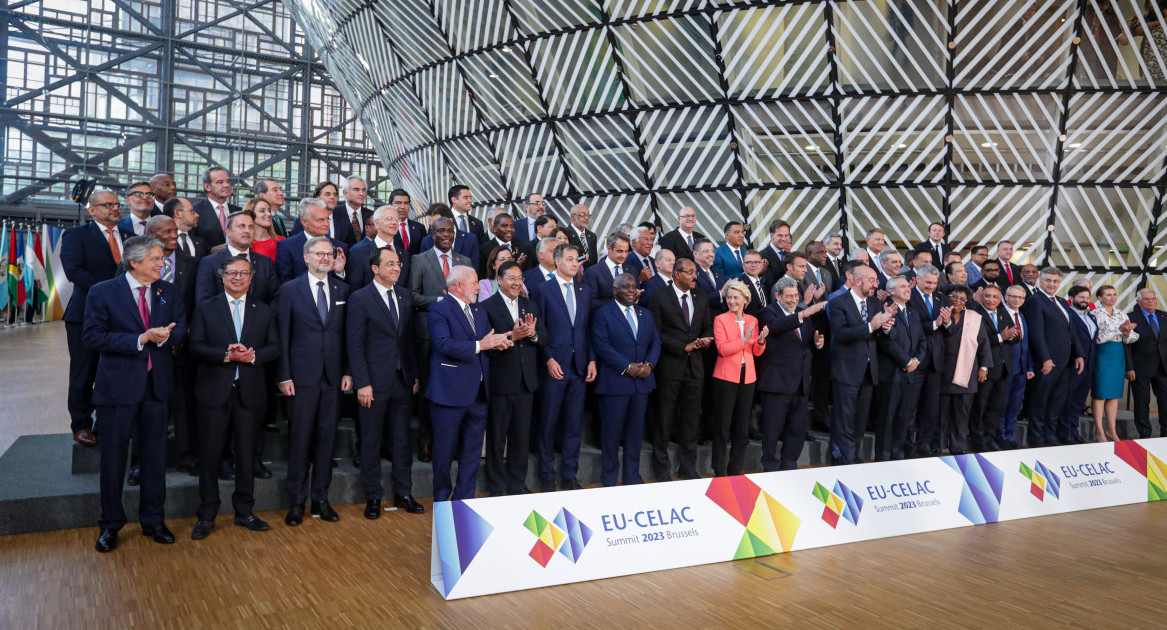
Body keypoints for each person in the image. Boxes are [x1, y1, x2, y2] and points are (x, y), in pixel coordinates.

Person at [83, 236, 186, 552]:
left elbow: (181, 328)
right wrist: (140, 338)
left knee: (155, 457)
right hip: (118, 389)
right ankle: (110, 525)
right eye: (156, 258)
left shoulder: (168, 291)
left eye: (162, 258)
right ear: (134, 262)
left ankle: (153, 520)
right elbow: (92, 336)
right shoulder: (103, 292)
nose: (162, 263)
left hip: (157, 388)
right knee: (114, 460)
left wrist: (167, 336)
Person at [187, 256, 279, 539]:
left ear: (251, 278)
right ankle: (206, 515)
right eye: (232, 273)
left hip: (250, 394)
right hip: (214, 393)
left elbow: (274, 347)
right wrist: (226, 355)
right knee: (210, 457)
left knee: (247, 456)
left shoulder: (263, 310)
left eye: (243, 273)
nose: (238, 278)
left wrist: (253, 356)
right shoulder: (205, 308)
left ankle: (245, 512)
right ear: (222, 277)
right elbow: (195, 346)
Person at [276, 236, 352, 526]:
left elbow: (347, 336)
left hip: (333, 378)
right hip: (300, 378)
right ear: (306, 257)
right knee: (300, 441)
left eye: (329, 254)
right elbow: (282, 336)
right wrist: (283, 375)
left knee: (326, 440)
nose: (324, 258)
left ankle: (321, 499)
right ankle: (296, 502)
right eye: (319, 254)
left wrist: (348, 371)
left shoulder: (342, 288)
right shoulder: (289, 290)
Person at [347, 247, 424, 517]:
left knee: (402, 441)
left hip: (402, 381)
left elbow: (409, 340)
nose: (396, 268)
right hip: (373, 383)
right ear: (375, 268)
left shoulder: (403, 296)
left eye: (398, 264)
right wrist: (362, 383)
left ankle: (404, 493)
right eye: (390, 264)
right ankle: (373, 497)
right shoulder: (360, 298)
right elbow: (354, 345)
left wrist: (412, 374)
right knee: (370, 442)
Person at [427, 265, 510, 501]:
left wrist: (500, 342)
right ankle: (442, 499)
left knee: (473, 452)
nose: (478, 287)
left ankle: (464, 498)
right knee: (444, 452)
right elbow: (443, 345)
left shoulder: (478, 309)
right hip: (449, 394)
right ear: (458, 286)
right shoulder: (438, 310)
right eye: (474, 282)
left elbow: (486, 341)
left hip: (479, 393)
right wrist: (481, 345)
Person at [62, 189, 125, 447]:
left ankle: (105, 422)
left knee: (112, 372)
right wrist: (111, 293)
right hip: (86, 315)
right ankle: (81, 425)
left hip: (122, 317)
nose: (115, 208)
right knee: (84, 371)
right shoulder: (76, 235)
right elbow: (74, 271)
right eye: (108, 204)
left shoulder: (130, 238)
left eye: (118, 204)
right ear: (92, 210)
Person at [530, 243, 596, 491]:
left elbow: (588, 329)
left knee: (573, 424)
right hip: (554, 366)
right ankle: (547, 475)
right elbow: (538, 328)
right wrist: (547, 358)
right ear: (557, 261)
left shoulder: (584, 290)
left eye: (576, 260)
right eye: (569, 259)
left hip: (579, 367)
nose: (574, 263)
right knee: (548, 423)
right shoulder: (542, 290)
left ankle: (570, 474)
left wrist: (591, 359)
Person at [410, 217, 472, 463]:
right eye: (441, 231)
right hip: (428, 336)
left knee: (453, 390)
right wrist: (441, 301)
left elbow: (470, 296)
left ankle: (450, 443)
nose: (447, 234)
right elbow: (413, 297)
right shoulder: (419, 260)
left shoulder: (464, 261)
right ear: (432, 234)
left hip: (459, 336)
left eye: (450, 231)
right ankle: (426, 441)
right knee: (429, 390)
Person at [482, 261, 546, 495]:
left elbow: (545, 337)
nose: (517, 283)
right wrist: (513, 335)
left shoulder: (530, 305)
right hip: (500, 380)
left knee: (521, 437)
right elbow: (485, 343)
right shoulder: (486, 307)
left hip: (526, 382)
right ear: (499, 280)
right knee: (497, 438)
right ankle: (497, 487)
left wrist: (534, 334)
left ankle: (517, 484)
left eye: (520, 278)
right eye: (511, 278)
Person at [647, 258, 713, 480]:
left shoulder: (701, 296)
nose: (695, 276)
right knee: (664, 420)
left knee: (691, 420)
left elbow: (706, 326)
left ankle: (688, 468)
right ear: (676, 274)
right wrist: (681, 346)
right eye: (690, 272)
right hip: (669, 366)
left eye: (696, 272)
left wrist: (705, 339)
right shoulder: (658, 296)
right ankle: (662, 469)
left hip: (695, 368)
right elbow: (655, 332)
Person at [591, 273, 660, 486]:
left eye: (634, 287)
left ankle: (633, 477)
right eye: (626, 287)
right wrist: (626, 366)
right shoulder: (603, 314)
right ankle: (610, 479)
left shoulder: (645, 314)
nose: (631, 291)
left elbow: (655, 342)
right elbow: (602, 345)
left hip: (641, 384)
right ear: (614, 290)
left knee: (635, 435)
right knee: (611, 436)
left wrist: (649, 364)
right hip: (615, 383)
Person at [827, 265, 894, 465]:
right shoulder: (838, 302)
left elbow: (877, 334)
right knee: (844, 419)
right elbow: (840, 334)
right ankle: (843, 459)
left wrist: (885, 328)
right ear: (858, 281)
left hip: (868, 371)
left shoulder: (875, 303)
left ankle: (854, 456)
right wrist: (870, 326)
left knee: (860, 420)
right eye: (872, 280)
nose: (876, 284)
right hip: (846, 371)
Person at [756, 277, 825, 471]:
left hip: (801, 382)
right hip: (777, 383)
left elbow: (806, 344)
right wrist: (804, 313)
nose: (794, 300)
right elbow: (775, 327)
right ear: (777, 296)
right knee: (772, 429)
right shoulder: (768, 312)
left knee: (797, 428)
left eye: (796, 295)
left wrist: (817, 343)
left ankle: (789, 464)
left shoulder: (802, 315)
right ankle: (769, 466)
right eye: (789, 296)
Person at [710, 280, 768, 477]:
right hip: (725, 377)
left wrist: (760, 342)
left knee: (742, 428)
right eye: (729, 297)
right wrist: (743, 340)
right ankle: (719, 470)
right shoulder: (720, 319)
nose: (731, 301)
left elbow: (756, 352)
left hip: (748, 378)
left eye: (736, 297)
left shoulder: (752, 320)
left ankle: (735, 469)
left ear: (746, 299)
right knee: (722, 427)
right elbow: (723, 349)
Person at [1021, 267, 1084, 447]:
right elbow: (1036, 333)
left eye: (1055, 281)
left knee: (1056, 402)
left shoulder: (1062, 302)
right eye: (1048, 280)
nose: (1052, 284)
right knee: (1040, 401)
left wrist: (1079, 354)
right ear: (1040, 280)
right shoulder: (1034, 301)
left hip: (1065, 361)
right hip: (1047, 362)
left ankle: (1050, 435)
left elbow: (1071, 330)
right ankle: (1037, 437)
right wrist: (1045, 358)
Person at [873, 275, 927, 461]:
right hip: (891, 375)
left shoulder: (912, 311)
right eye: (902, 286)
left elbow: (922, 340)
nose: (907, 289)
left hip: (910, 375)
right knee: (887, 420)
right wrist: (906, 361)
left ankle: (898, 455)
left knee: (904, 419)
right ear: (891, 291)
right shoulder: (883, 309)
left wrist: (916, 361)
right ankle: (884, 458)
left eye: (908, 286)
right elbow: (886, 341)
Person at [937, 285, 992, 454]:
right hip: (942, 370)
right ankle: (938, 445)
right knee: (941, 412)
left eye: (962, 298)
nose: (958, 301)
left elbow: (983, 343)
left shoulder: (974, 317)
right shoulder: (937, 314)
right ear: (947, 297)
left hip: (967, 370)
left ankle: (957, 446)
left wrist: (984, 367)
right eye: (954, 296)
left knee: (962, 413)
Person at [968, 284, 1017, 452]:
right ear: (981, 297)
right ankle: (977, 441)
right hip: (984, 368)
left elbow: (1012, 337)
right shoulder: (975, 313)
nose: (991, 300)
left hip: (1003, 369)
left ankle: (989, 439)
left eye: (995, 297)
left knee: (996, 407)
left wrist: (1013, 336)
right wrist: (1001, 337)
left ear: (1000, 299)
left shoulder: (1003, 313)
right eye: (988, 296)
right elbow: (976, 340)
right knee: (979, 407)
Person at [195, 211, 278, 306]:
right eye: (241, 226)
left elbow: (275, 299)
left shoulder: (266, 263)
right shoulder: (209, 262)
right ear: (228, 232)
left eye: (251, 227)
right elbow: (204, 302)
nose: (247, 231)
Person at [1090, 285, 1137, 441]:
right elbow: (1098, 337)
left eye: (1114, 294)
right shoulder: (1094, 314)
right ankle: (1099, 430)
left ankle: (1111, 430)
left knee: (1114, 395)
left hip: (1118, 355)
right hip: (1102, 354)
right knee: (1100, 394)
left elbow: (1130, 338)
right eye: (1108, 294)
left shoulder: (1121, 313)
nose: (1112, 297)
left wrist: (1128, 332)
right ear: (1099, 297)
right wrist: (1120, 330)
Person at [276, 198, 349, 283]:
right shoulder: (287, 247)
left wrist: (340, 272)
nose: (326, 224)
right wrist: (316, 272)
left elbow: (346, 287)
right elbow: (285, 284)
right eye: (320, 220)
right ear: (304, 222)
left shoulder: (340, 248)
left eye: (327, 219)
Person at [1126, 289, 1167, 439]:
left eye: (1153, 298)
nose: (1150, 301)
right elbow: (1127, 345)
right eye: (1146, 299)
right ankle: (1145, 435)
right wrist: (1129, 367)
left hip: (1163, 368)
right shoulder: (1130, 318)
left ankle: (1165, 435)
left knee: (1165, 402)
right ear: (1139, 302)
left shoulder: (1164, 316)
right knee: (1142, 403)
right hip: (1140, 368)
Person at [998, 286, 1034, 449]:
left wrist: (1029, 367)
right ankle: (1000, 436)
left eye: (1021, 298)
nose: (1017, 300)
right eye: (1014, 297)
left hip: (1021, 370)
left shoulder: (1023, 316)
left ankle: (1009, 435)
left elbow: (1026, 344)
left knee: (1015, 405)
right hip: (1005, 369)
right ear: (1006, 296)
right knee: (1002, 404)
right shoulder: (999, 314)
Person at [1062, 286, 1098, 444]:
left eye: (1087, 298)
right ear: (1071, 298)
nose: (1085, 300)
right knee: (1068, 399)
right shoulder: (1067, 315)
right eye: (1081, 297)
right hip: (1074, 363)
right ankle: (1064, 432)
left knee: (1079, 401)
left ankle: (1073, 431)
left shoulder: (1091, 317)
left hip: (1090, 364)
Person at [347, 205, 410, 290]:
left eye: (396, 219)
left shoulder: (404, 255)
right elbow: (355, 289)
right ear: (376, 223)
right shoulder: (359, 253)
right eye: (389, 219)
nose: (394, 222)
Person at [420, 203, 481, 269]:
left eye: (438, 225)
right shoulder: (426, 241)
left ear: (450, 221)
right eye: (431, 226)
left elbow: (474, 270)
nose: (434, 229)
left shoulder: (470, 240)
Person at [191, 166, 240, 248]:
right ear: (207, 187)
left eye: (228, 182)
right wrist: (210, 250)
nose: (226, 185)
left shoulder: (239, 211)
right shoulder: (196, 211)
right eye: (220, 182)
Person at [584, 233, 632, 312]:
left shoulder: (631, 270)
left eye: (626, 251)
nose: (624, 255)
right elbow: (591, 302)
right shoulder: (592, 272)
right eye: (620, 251)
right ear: (609, 249)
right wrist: (618, 303)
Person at [692, 238, 726, 313]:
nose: (711, 254)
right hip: (705, 321)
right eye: (706, 251)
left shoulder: (718, 274)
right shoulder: (691, 273)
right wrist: (721, 293)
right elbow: (696, 299)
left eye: (713, 251)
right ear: (695, 254)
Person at [390, 188, 426, 256]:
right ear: (390, 205)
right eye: (398, 203)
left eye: (406, 203)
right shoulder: (385, 228)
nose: (403, 207)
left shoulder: (420, 228)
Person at [760, 219, 791, 285]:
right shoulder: (762, 256)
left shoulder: (789, 255)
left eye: (786, 235)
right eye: (780, 235)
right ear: (771, 236)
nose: (784, 239)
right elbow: (770, 283)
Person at [739, 250, 769, 318]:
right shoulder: (740, 285)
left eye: (756, 262)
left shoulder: (763, 285)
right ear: (743, 265)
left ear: (761, 265)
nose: (753, 265)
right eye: (749, 262)